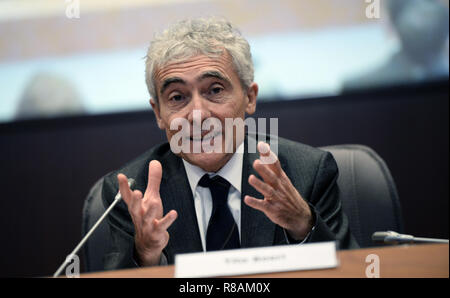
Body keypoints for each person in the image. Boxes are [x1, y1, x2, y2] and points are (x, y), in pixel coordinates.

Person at [102, 17, 358, 269]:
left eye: (214, 90)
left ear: (249, 97)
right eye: (177, 97)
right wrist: (146, 254)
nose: (198, 114)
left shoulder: (307, 173)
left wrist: (303, 223)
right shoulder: (132, 192)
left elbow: (353, 272)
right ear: (158, 112)